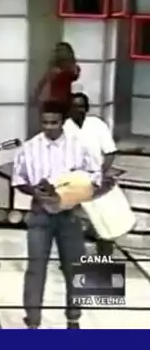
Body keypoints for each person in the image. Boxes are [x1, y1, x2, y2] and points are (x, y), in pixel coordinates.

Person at [12, 101, 102, 329]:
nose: (49, 127)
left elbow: (95, 177)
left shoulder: (79, 146)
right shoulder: (29, 147)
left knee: (75, 267)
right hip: (40, 214)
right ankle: (33, 319)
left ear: (62, 122)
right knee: (36, 268)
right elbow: (19, 179)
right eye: (45, 123)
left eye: (54, 123)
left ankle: (74, 317)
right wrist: (34, 191)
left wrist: (74, 189)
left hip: (69, 214)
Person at [65, 92, 118, 259]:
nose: (77, 110)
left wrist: (100, 175)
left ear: (87, 108)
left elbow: (110, 153)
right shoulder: (64, 128)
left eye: (81, 106)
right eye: (74, 107)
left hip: (97, 181)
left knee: (103, 224)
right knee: (73, 225)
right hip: (74, 182)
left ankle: (104, 259)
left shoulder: (97, 125)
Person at [34, 42, 80, 114]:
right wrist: (37, 94)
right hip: (51, 101)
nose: (61, 52)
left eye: (62, 50)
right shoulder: (53, 68)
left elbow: (75, 76)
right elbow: (43, 82)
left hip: (65, 101)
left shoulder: (72, 67)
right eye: (58, 50)